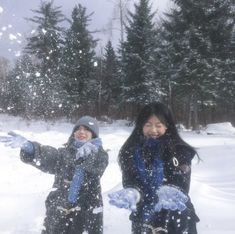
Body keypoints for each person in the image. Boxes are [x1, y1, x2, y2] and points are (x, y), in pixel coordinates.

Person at [0, 116, 108, 234]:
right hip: (58, 213)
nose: (81, 132)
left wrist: (90, 155)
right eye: (78, 129)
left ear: (94, 134)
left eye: (87, 129)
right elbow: (49, 156)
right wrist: (32, 148)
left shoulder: (100, 155)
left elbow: (98, 166)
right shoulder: (64, 153)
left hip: (87, 215)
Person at [108, 102, 199, 234]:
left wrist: (171, 189)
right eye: (148, 125)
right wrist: (134, 192)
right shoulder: (131, 151)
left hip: (176, 217)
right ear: (141, 126)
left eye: (158, 125)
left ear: (167, 126)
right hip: (143, 218)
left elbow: (183, 183)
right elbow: (130, 179)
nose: (153, 130)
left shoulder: (180, 150)